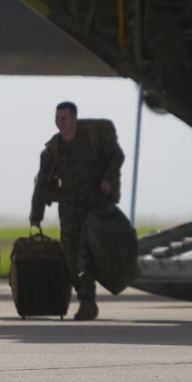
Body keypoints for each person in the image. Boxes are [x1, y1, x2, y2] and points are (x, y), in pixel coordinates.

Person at [30, 102, 125, 321]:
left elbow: (116, 156)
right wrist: (36, 216)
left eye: (63, 118)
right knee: (70, 256)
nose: (59, 123)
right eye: (57, 119)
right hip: (68, 211)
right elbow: (42, 184)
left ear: (74, 119)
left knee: (83, 256)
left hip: (93, 208)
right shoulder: (53, 149)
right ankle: (85, 298)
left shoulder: (92, 140)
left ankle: (87, 302)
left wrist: (108, 178)